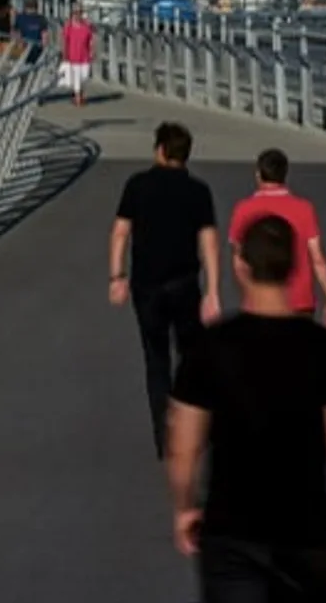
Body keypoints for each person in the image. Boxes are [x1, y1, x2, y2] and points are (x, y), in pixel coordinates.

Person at [167, 214, 326, 602]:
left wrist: (185, 506)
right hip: (306, 537)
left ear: (241, 265)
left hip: (231, 535)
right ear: (294, 266)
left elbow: (183, 448)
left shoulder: (209, 347)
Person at [109, 121, 221, 459]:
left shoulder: (137, 185)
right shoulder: (198, 191)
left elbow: (120, 232)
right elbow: (209, 242)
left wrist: (117, 276)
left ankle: (165, 437)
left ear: (159, 150)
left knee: (156, 361)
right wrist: (212, 291)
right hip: (185, 284)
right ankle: (194, 430)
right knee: (191, 358)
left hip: (146, 286)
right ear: (186, 154)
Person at [226, 148, 326, 329]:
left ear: (258, 174)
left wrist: (250, 291)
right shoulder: (304, 208)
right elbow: (317, 259)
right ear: (285, 175)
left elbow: (238, 259)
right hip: (300, 302)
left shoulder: (243, 209)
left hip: (259, 303)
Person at [60, 5, 94, 106]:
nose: (77, 15)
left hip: (85, 56)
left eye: (79, 12)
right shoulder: (68, 26)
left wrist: (92, 51)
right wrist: (64, 54)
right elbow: (64, 41)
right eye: (75, 13)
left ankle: (79, 94)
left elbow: (91, 39)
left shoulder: (87, 26)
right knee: (76, 77)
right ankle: (78, 98)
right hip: (73, 56)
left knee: (84, 76)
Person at [11, 0, 47, 64]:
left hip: (23, 49)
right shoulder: (41, 19)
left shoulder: (20, 17)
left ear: (25, 6)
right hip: (37, 50)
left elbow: (14, 33)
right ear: (36, 7)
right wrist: (44, 49)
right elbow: (44, 36)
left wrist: (18, 44)